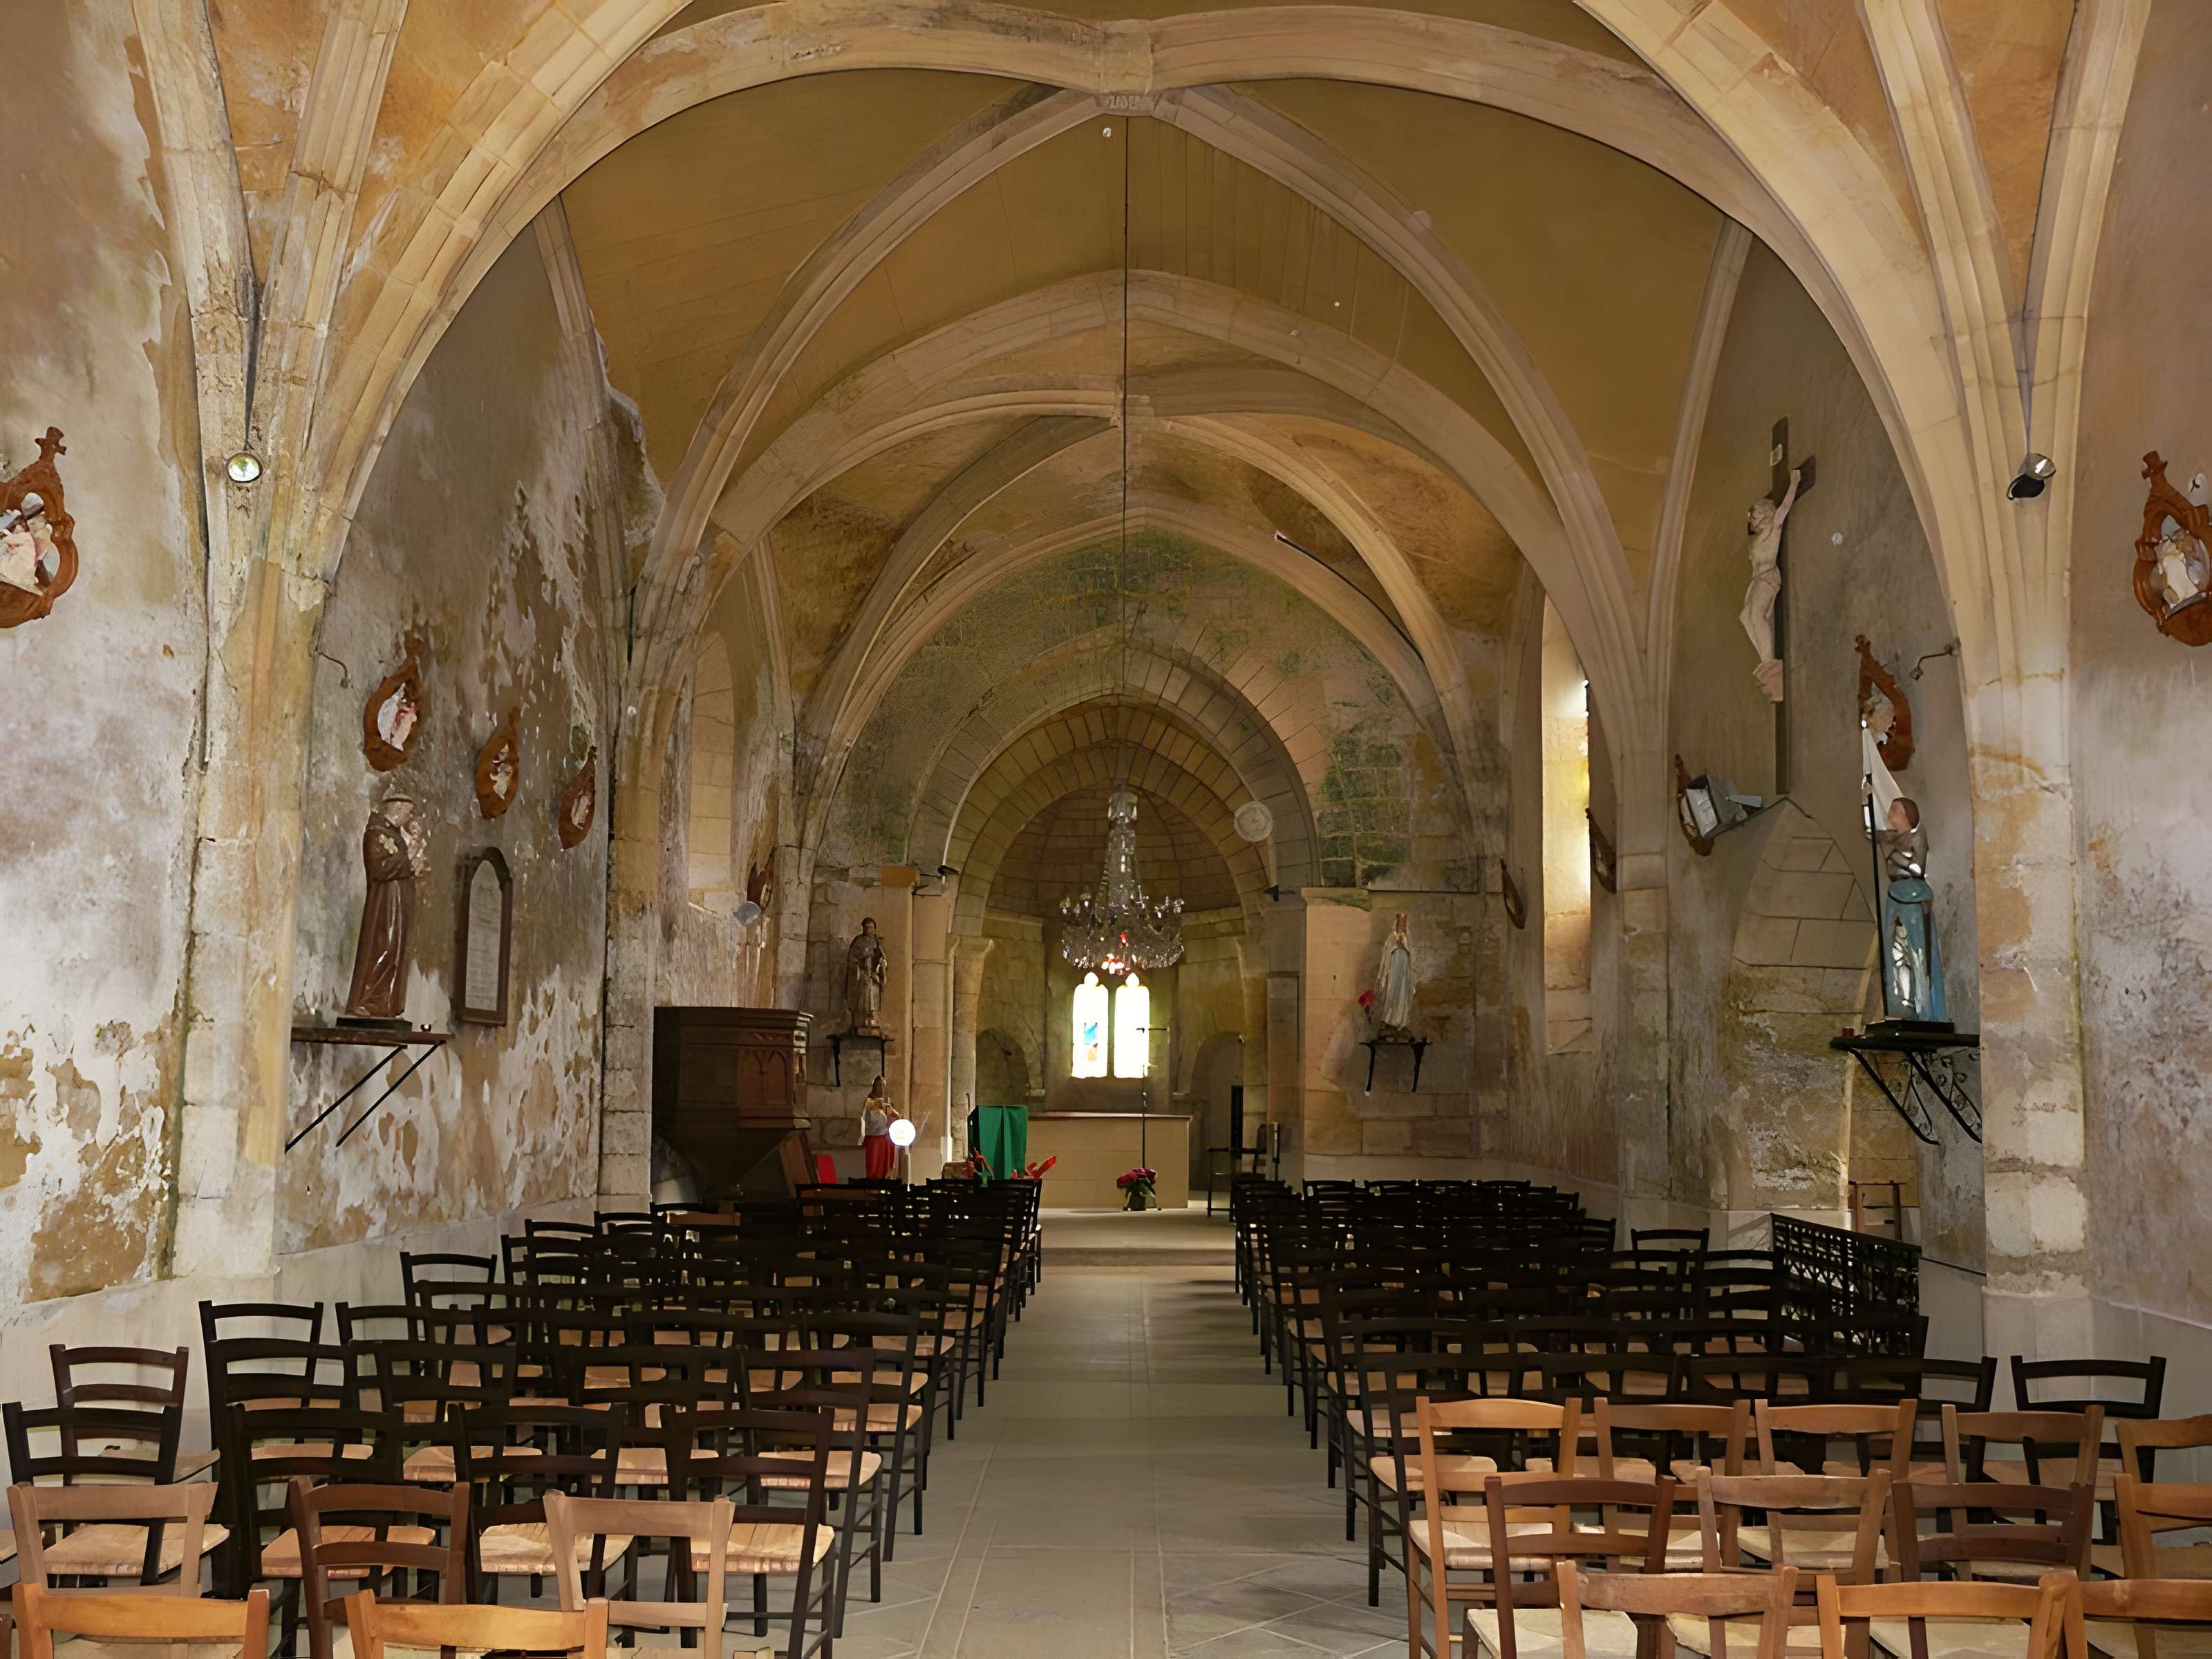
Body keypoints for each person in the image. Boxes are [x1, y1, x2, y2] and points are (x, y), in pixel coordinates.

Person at [861, 1075, 904, 1181]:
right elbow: (870, 1118)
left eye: (884, 1085)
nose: (882, 1088)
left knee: (885, 1167)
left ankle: (884, 1186)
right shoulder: (869, 1102)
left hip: (885, 1140)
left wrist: (892, 1113)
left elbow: (897, 1117)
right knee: (874, 1166)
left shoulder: (886, 1104)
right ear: (875, 1086)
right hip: (874, 1139)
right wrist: (878, 1106)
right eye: (880, 1085)